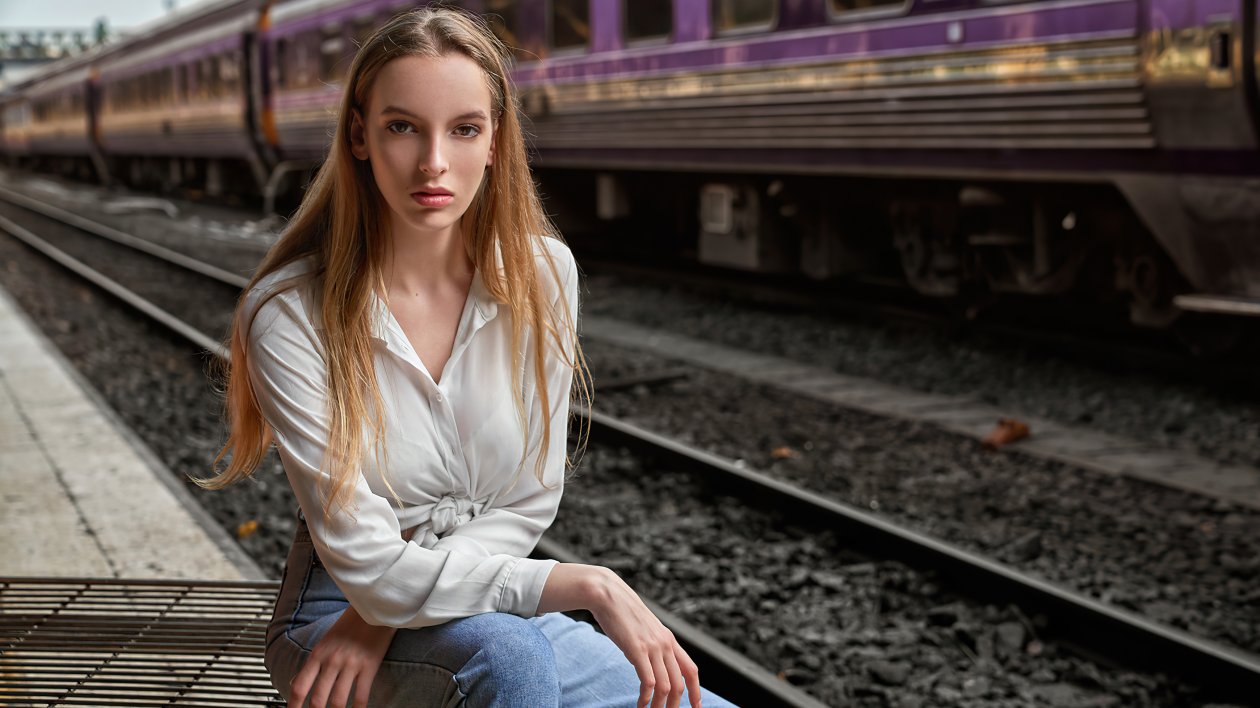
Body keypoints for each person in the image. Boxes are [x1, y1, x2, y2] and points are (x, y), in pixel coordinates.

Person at [201, 7, 735, 708]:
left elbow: (525, 502)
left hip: (459, 602)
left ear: (494, 141)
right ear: (359, 135)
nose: (433, 162)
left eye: (464, 129)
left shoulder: (543, 274)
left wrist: (383, 613)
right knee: (511, 660)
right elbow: (365, 564)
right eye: (402, 127)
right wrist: (589, 583)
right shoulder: (290, 313)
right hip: (333, 622)